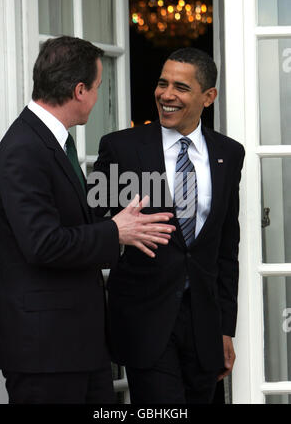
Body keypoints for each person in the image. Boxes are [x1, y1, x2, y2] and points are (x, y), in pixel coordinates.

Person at [0, 35, 176, 404]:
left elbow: (74, 219)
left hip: (78, 346)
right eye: (97, 88)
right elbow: (43, 244)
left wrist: (122, 217)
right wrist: (115, 231)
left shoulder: (51, 141)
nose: (97, 97)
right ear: (79, 91)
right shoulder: (23, 150)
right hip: (46, 353)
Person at [93, 47, 245, 404]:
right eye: (162, 84)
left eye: (181, 87)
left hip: (205, 327)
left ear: (209, 97)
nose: (166, 95)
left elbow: (226, 247)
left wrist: (225, 329)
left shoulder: (229, 154)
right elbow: (92, 222)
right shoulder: (123, 149)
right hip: (146, 322)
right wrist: (119, 230)